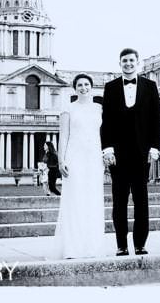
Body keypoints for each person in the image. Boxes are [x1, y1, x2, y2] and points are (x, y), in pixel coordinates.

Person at [101, 48, 160, 256]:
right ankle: (121, 245)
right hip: (118, 155)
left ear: (138, 62)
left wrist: (154, 147)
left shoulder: (150, 86)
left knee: (141, 201)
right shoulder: (110, 87)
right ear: (120, 63)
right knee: (119, 203)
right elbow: (106, 121)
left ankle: (140, 244)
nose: (128, 63)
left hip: (141, 153)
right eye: (124, 61)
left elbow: (155, 119)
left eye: (131, 60)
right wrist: (107, 149)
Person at [53, 73, 105, 259]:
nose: (83, 87)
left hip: (94, 157)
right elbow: (63, 136)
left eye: (86, 84)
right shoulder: (68, 109)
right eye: (80, 85)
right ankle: (72, 248)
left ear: (91, 87)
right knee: (74, 200)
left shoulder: (99, 108)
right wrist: (61, 160)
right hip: (74, 157)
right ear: (75, 88)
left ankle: (92, 247)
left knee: (92, 201)